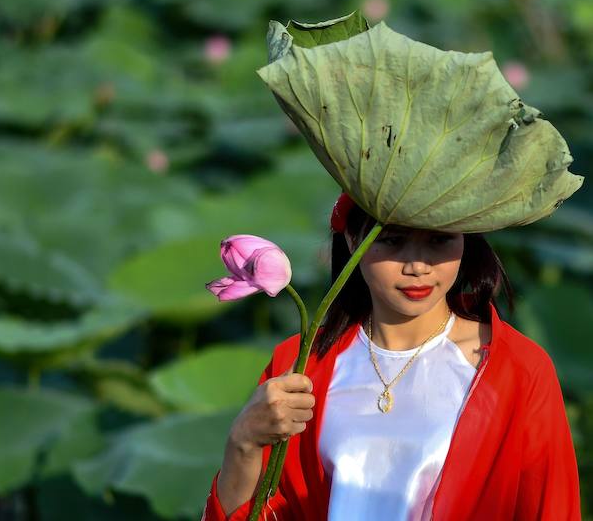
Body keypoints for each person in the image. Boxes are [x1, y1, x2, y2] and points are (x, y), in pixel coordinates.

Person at [201, 194, 582, 520]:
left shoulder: (518, 370)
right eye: (393, 241)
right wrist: (243, 443)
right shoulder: (301, 363)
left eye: (439, 240)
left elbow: (552, 510)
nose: (417, 266)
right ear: (352, 239)